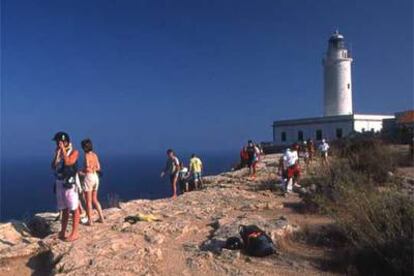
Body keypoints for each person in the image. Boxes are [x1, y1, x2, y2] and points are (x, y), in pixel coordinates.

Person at [51, 132, 80, 242]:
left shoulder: (74, 152)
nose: (57, 144)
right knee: (64, 208)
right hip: (59, 182)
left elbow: (68, 162)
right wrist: (57, 155)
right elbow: (53, 166)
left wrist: (63, 150)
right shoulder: (58, 152)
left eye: (59, 142)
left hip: (69, 184)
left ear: (64, 142)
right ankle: (62, 231)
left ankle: (75, 233)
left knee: (74, 207)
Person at [79, 139, 105, 226]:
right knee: (95, 199)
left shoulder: (86, 155)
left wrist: (81, 171)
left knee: (88, 201)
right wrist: (93, 168)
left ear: (84, 147)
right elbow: (98, 167)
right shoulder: (95, 155)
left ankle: (90, 221)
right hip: (95, 177)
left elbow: (87, 166)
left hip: (89, 177)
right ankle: (101, 218)